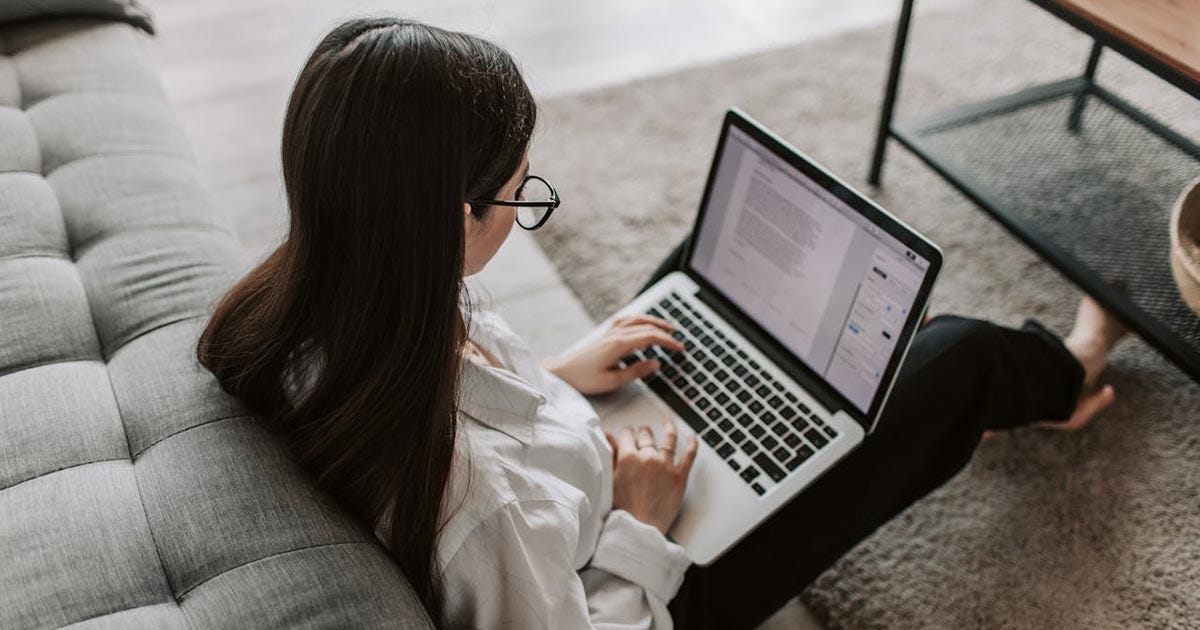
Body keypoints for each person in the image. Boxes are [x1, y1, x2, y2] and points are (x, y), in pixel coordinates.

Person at [197, 17, 1128, 630]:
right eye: (523, 198)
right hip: (651, 573)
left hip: (576, 466)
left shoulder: (319, 301)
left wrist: (558, 375)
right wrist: (644, 524)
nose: (527, 205)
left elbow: (455, 411)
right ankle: (1069, 371)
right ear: (450, 217)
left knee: (705, 279)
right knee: (953, 356)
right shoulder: (484, 511)